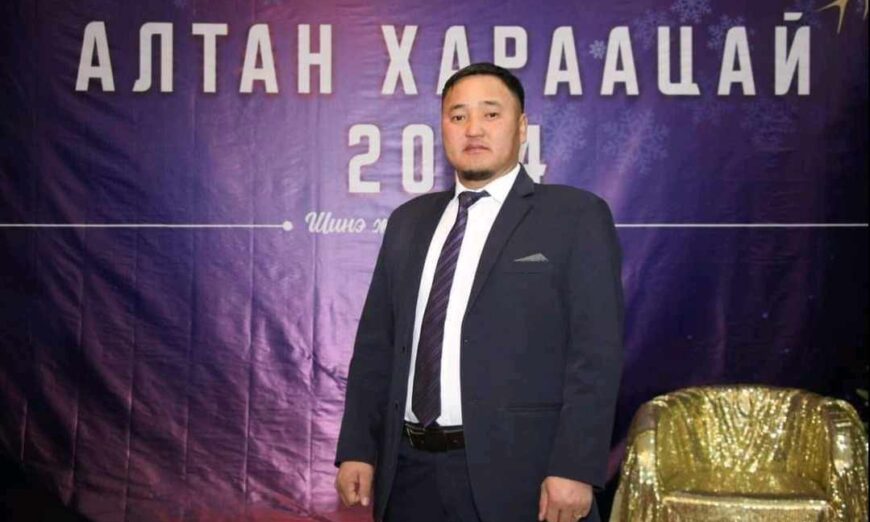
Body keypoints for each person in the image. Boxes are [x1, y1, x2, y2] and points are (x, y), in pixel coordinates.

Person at [334, 62, 623, 522]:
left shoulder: (575, 216)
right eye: (458, 115)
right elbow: (376, 346)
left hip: (523, 478)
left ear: (521, 127)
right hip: (408, 474)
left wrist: (575, 466)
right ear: (443, 128)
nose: (473, 129)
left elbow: (596, 356)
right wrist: (358, 448)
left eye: (491, 114)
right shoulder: (408, 222)